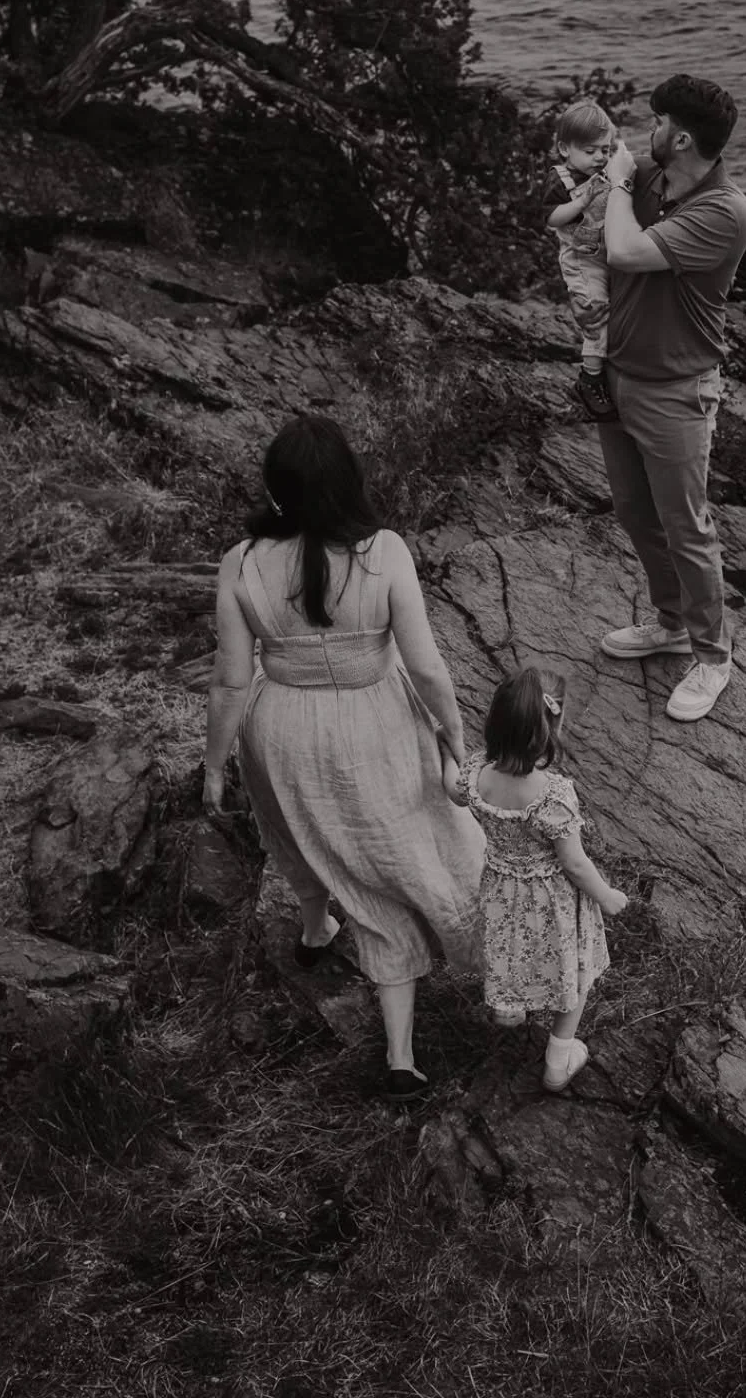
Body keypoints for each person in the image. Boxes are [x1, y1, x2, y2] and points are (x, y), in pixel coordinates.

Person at [203, 413, 484, 1100]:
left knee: (301, 836)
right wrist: (454, 736)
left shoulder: (240, 563)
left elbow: (232, 680)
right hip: (376, 725)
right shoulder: (383, 550)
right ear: (347, 484)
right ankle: (399, 1055)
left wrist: (214, 764)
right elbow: (426, 666)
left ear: (277, 492)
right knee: (392, 857)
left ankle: (314, 926)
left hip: (281, 731)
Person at [598, 74, 746, 723]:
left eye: (657, 121)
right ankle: (668, 623)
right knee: (636, 513)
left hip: (676, 389)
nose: (646, 131)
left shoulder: (724, 212)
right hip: (620, 373)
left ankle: (713, 657)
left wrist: (611, 182)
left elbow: (626, 251)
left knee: (688, 527)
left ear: (682, 137)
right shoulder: (654, 180)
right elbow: (602, 166)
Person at [442, 667, 627, 1093]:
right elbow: (576, 864)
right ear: (550, 730)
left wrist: (443, 750)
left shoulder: (476, 775)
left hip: (502, 893)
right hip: (551, 903)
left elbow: (451, 787)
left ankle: (511, 1009)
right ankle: (558, 1063)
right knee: (571, 975)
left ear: (494, 725)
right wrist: (607, 895)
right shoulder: (553, 796)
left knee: (511, 950)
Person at [545, 97, 619, 423]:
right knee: (596, 312)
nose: (599, 157)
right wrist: (585, 198)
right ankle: (589, 378)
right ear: (565, 149)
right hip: (580, 259)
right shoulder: (560, 179)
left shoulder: (605, 172)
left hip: (606, 253)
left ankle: (609, 366)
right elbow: (553, 217)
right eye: (590, 151)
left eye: (605, 149)